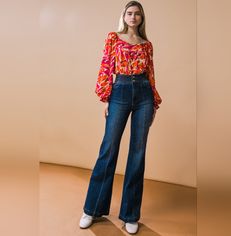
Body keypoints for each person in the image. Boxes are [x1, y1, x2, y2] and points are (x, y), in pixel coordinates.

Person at [79, 1, 162, 234]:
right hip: (120, 91)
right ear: (123, 16)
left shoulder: (147, 44)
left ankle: (130, 215)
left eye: (137, 14)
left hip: (144, 94)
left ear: (142, 18)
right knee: (109, 148)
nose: (133, 17)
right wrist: (106, 98)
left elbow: (151, 73)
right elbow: (105, 66)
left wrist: (153, 103)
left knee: (137, 153)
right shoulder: (113, 38)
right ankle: (92, 209)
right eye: (129, 13)